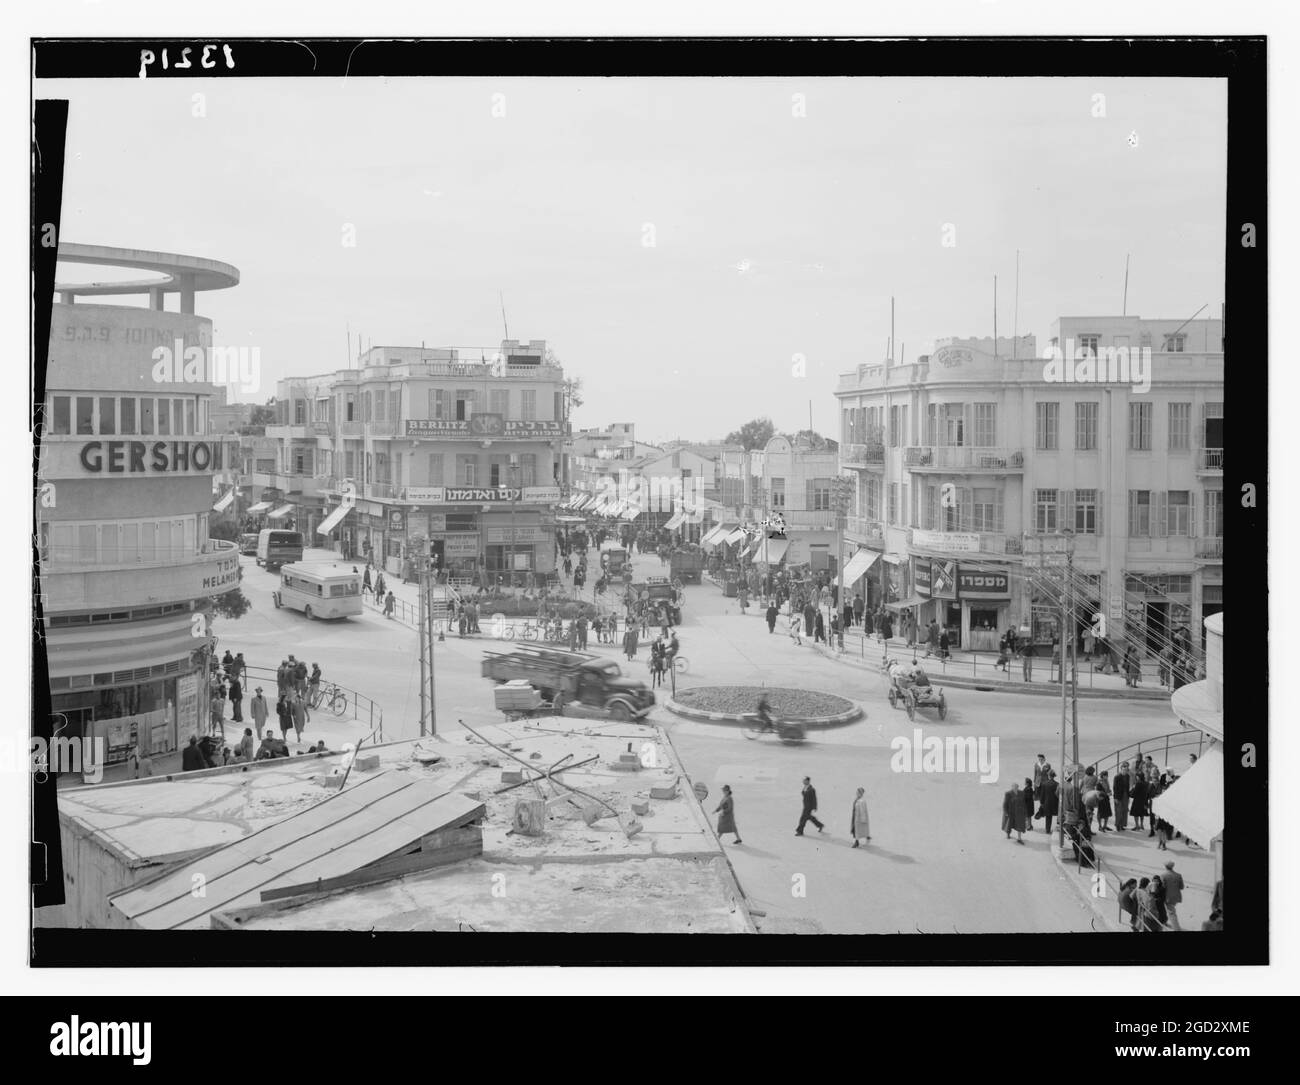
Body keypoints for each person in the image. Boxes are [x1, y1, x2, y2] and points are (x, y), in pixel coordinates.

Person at [1162, 860, 1185, 930]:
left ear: (1165, 867)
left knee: (1171, 913)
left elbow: (1162, 887)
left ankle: (1177, 928)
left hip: (1167, 897)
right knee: (1168, 910)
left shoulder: (1163, 876)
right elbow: (1182, 887)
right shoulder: (1178, 875)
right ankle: (1164, 921)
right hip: (1176, 897)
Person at [1113, 761, 1131, 831]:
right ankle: (1117, 825)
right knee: (1118, 811)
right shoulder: (1117, 777)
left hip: (1125, 795)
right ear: (1121, 769)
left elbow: (1128, 786)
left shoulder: (1127, 776)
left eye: (1126, 770)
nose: (1125, 771)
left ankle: (1122, 825)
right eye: (1124, 769)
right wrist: (1115, 798)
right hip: (1118, 796)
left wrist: (1128, 797)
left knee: (1125, 811)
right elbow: (1115, 788)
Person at [1040, 770, 1059, 835]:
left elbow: (1042, 794)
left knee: (1048, 817)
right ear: (1054, 776)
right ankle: (1058, 827)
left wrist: (1041, 802)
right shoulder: (1057, 784)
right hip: (1054, 803)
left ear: (1048, 776)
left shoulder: (1044, 784)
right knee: (1056, 815)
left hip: (1046, 802)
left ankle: (1047, 830)